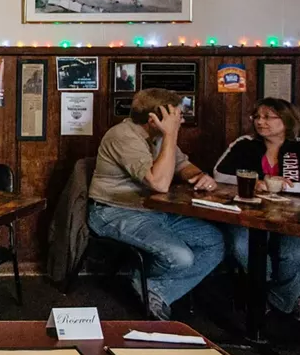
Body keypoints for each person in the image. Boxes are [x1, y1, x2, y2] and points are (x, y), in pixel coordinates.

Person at [87, 88, 223, 320]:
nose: (181, 119)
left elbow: (181, 164)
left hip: (157, 211)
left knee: (214, 243)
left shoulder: (158, 137)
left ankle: (155, 289)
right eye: (177, 115)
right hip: (116, 212)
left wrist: (199, 175)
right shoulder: (123, 135)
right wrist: (171, 135)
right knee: (181, 257)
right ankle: (150, 287)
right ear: (155, 119)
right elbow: (158, 183)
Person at [213, 98, 300, 322]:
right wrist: (256, 181)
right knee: (241, 245)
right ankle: (285, 294)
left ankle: (275, 298)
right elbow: (219, 174)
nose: (261, 122)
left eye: (268, 117)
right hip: (253, 215)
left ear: (287, 120)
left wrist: (283, 185)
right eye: (257, 117)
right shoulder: (245, 143)